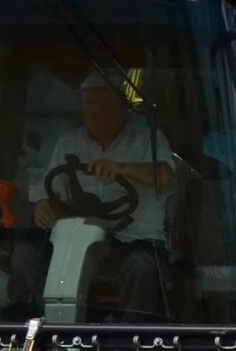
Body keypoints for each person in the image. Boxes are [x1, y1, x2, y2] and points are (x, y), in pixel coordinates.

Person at [34, 74, 175, 242]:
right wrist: (45, 207)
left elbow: (165, 176)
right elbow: (55, 193)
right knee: (25, 256)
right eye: (89, 105)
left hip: (138, 240)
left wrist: (121, 169)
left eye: (104, 105)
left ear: (122, 108)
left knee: (140, 267)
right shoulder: (68, 142)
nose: (95, 112)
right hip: (78, 240)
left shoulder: (148, 138)